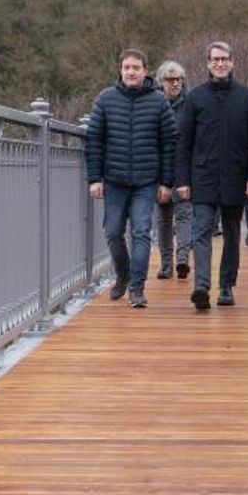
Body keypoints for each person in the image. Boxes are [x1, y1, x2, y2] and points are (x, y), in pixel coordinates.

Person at [85, 48, 176, 308]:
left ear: (145, 71)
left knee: (141, 232)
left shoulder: (159, 101)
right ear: (120, 70)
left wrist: (166, 182)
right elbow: (94, 140)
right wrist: (95, 179)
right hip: (114, 180)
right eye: (127, 67)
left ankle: (137, 288)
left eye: (136, 67)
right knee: (113, 232)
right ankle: (123, 274)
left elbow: (169, 144)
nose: (131, 72)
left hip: (146, 182)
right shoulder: (105, 99)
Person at [176, 41, 248, 310]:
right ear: (208, 63)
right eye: (215, 59)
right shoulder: (195, 97)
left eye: (224, 59)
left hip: (236, 176)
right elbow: (184, 142)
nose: (220, 63)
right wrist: (183, 180)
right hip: (203, 176)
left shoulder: (246, 97)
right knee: (201, 231)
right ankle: (201, 286)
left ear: (232, 62)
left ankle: (226, 286)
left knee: (232, 234)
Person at [154, 60, 193, 280]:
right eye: (170, 80)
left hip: (183, 166)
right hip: (160, 168)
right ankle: (166, 263)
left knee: (184, 214)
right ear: (162, 82)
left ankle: (182, 260)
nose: (175, 83)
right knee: (164, 217)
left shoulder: (190, 103)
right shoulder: (153, 103)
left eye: (178, 79)